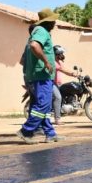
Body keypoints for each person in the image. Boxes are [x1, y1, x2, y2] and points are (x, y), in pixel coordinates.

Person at [17, 8, 63, 144]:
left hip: (36, 76)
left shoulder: (37, 33)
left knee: (43, 106)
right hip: (41, 76)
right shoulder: (41, 31)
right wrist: (46, 62)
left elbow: (23, 60)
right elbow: (34, 46)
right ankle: (26, 131)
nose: (55, 23)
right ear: (48, 22)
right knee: (43, 105)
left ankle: (50, 133)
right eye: (53, 20)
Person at [51, 45, 79, 125]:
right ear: (56, 54)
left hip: (58, 84)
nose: (62, 55)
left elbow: (65, 68)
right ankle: (57, 119)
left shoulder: (58, 62)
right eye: (61, 53)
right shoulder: (53, 62)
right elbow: (63, 70)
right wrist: (73, 74)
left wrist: (74, 73)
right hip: (52, 84)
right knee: (58, 97)